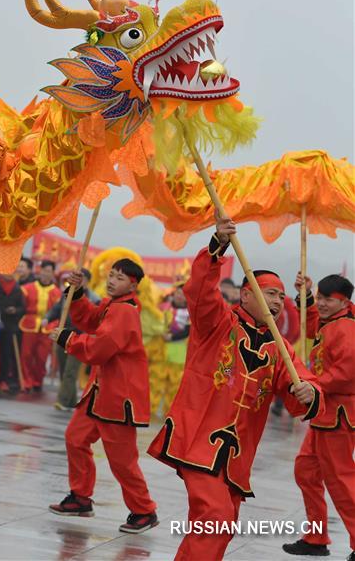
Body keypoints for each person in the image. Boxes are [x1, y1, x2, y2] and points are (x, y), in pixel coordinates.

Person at [147, 216, 320, 561]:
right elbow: (198, 292)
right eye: (270, 293)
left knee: (215, 527)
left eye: (281, 297)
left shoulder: (279, 346)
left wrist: (309, 392)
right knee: (217, 518)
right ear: (246, 294)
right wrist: (216, 246)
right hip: (198, 440)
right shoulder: (218, 322)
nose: (277, 301)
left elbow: (299, 382)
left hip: (237, 457)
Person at [49, 259, 158, 534]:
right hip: (100, 393)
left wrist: (68, 340)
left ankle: (144, 510)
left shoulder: (125, 312)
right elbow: (90, 319)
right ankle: (81, 497)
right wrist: (77, 293)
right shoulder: (114, 306)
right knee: (76, 437)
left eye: (119, 278)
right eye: (110, 275)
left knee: (122, 460)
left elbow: (101, 347)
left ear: (133, 285)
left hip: (119, 397)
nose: (111, 281)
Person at [283, 273, 354, 559]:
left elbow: (347, 373)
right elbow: (311, 324)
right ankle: (316, 536)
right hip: (325, 415)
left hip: (339, 415)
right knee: (306, 471)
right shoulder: (332, 321)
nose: (322, 304)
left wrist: (314, 384)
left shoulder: (347, 328)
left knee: (341, 481)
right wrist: (306, 293)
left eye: (327, 299)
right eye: (321, 298)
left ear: (344, 301)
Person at [47, 267, 98, 410]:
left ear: (87, 282)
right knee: (63, 369)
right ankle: (71, 402)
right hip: (63, 335)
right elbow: (57, 309)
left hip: (80, 338)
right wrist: (47, 318)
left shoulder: (94, 298)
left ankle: (62, 401)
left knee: (71, 370)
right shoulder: (68, 293)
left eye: (83, 279)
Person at [19, 260, 59, 393]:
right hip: (29, 324)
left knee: (42, 357)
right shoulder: (27, 288)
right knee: (26, 355)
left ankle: (37, 381)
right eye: (44, 270)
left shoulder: (57, 293)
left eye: (49, 271)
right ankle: (26, 381)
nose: (46, 274)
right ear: (39, 271)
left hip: (48, 327)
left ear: (53, 273)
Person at [150, 282, 189, 417]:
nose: (180, 296)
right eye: (178, 292)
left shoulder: (190, 313)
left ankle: (169, 415)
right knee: (154, 383)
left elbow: (187, 331)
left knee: (173, 387)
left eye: (183, 294)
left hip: (178, 355)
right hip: (159, 352)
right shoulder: (162, 307)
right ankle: (150, 412)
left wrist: (171, 337)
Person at [0, 271, 25, 394]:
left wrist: (15, 310)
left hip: (9, 325)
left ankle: (3, 380)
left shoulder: (18, 288)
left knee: (6, 354)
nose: (10, 274)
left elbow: (22, 307)